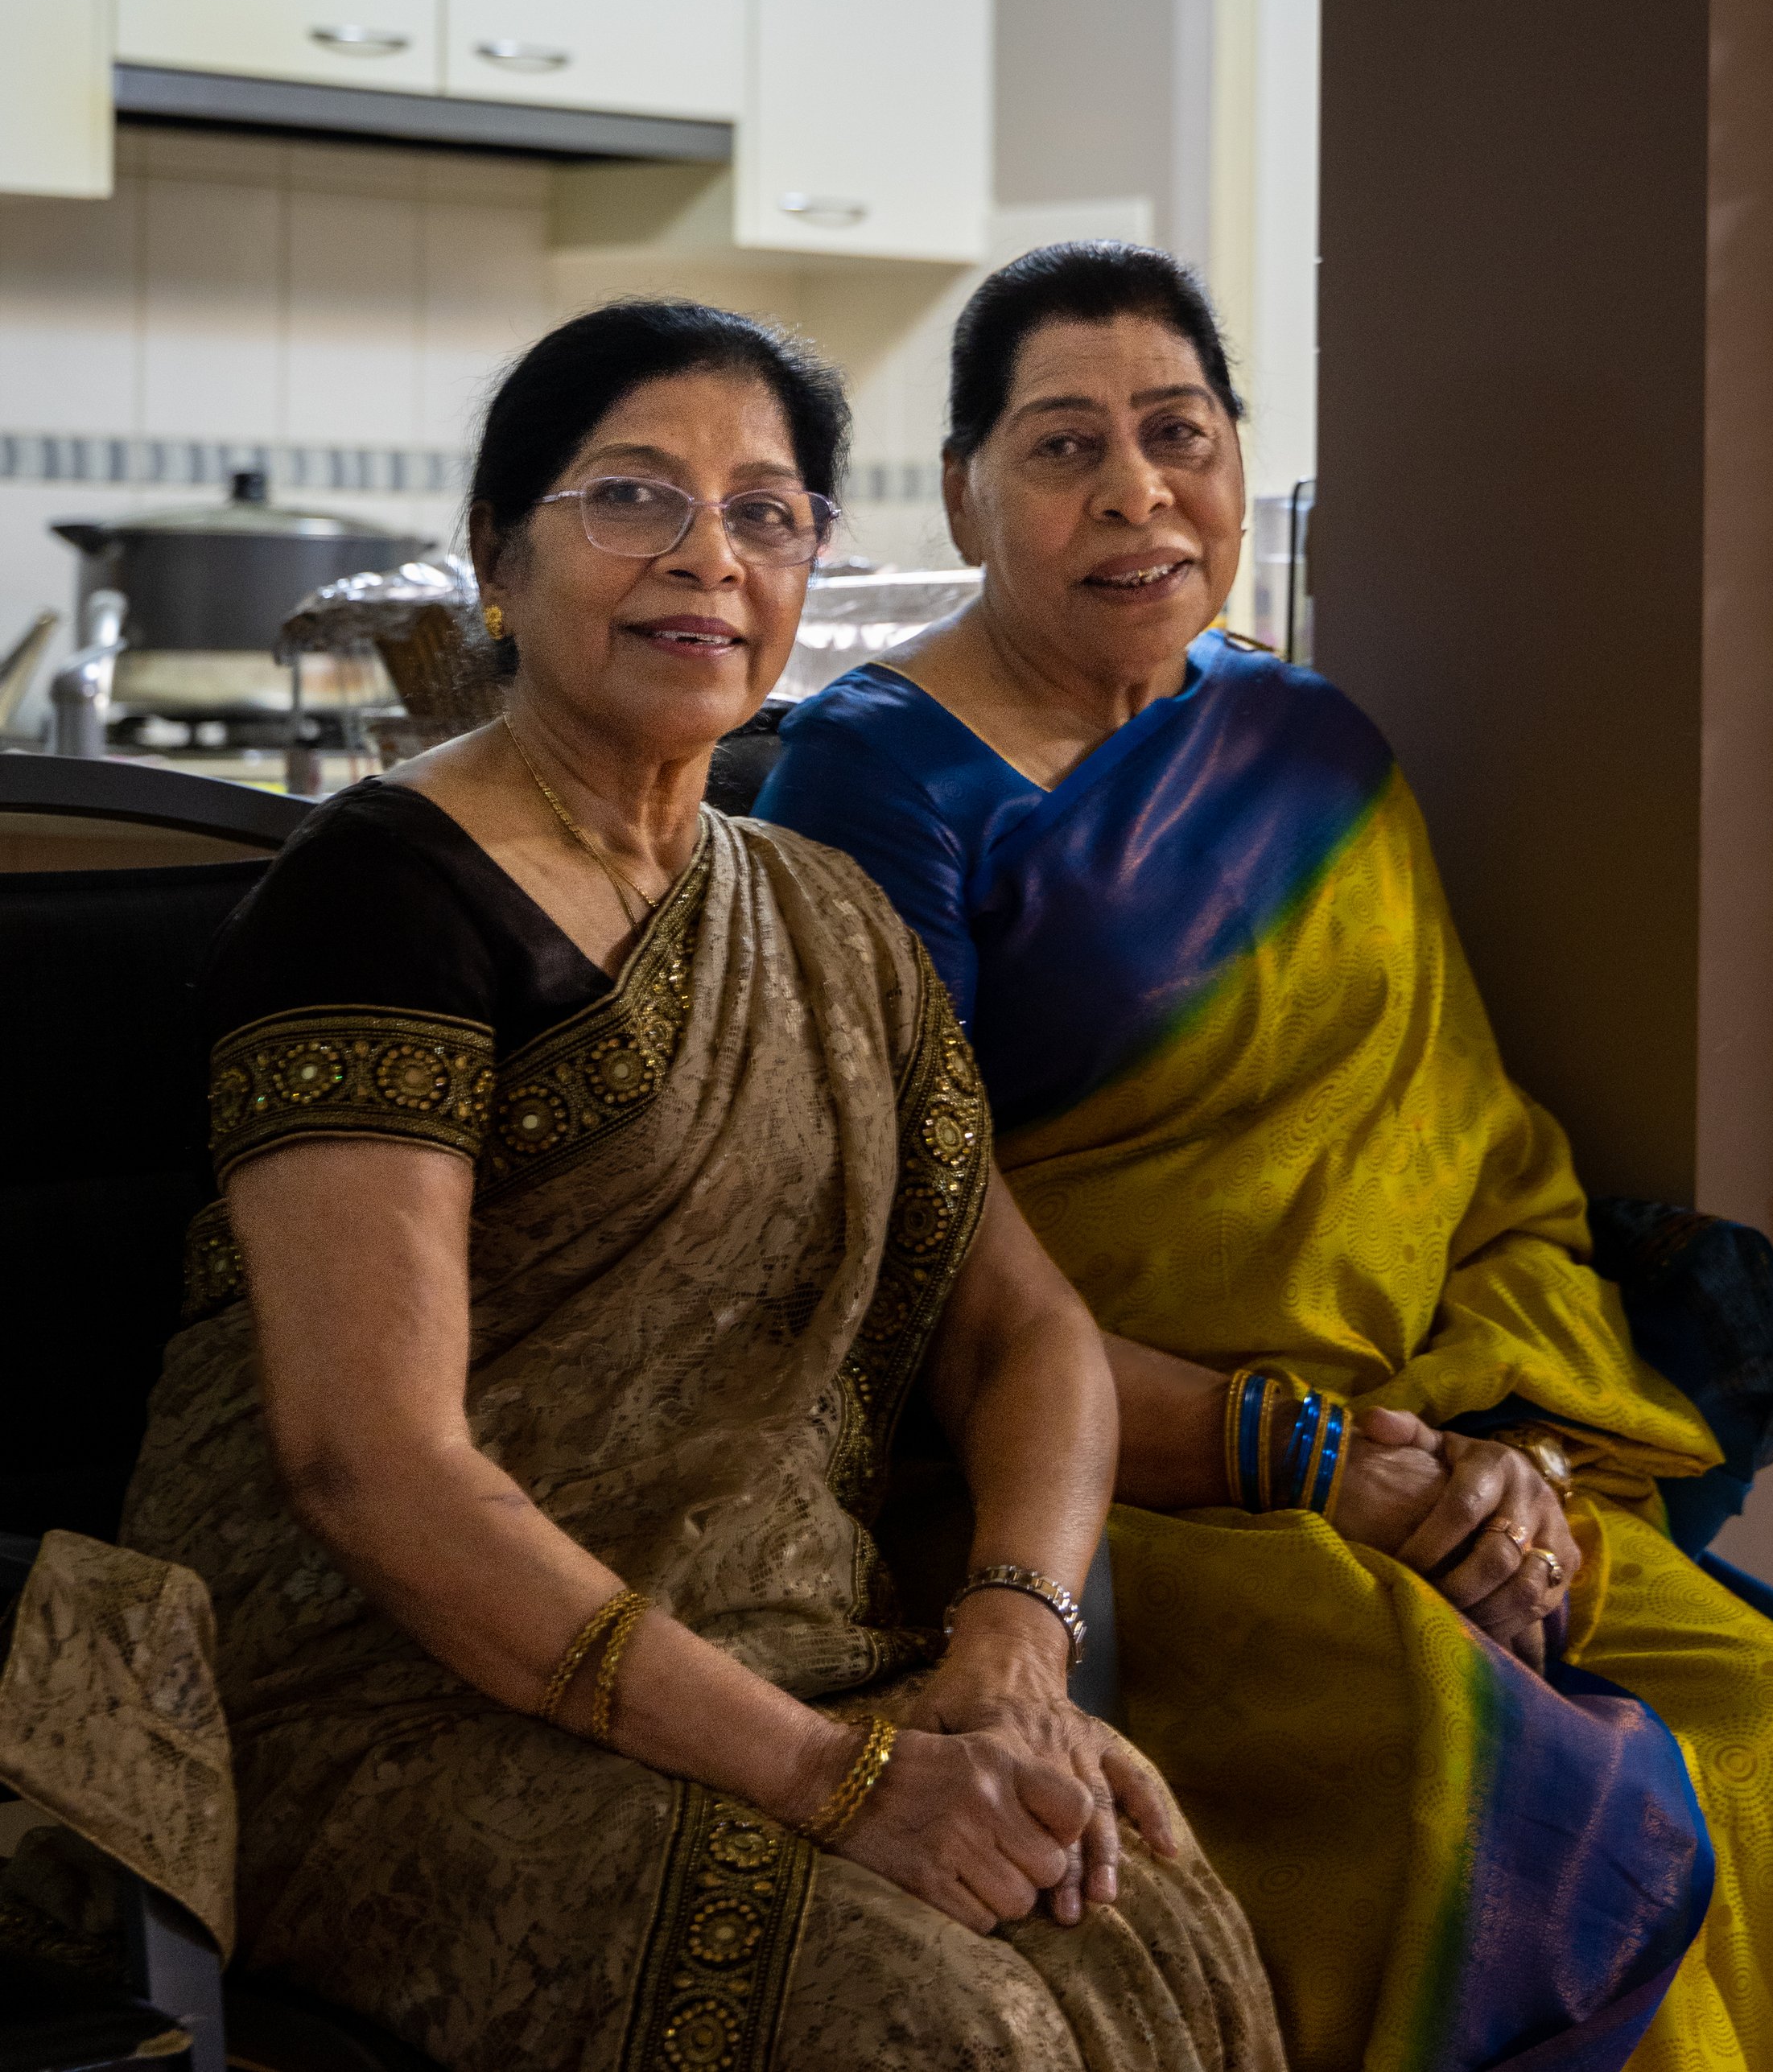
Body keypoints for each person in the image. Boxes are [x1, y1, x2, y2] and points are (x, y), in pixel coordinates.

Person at [755, 242, 1773, 2072]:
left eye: (1176, 434)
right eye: (1062, 448)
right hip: (1100, 1485)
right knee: (1512, 1796)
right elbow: (907, 1285)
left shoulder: (1310, 749)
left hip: (1420, 1437)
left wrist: (1507, 1466)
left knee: (1762, 1717)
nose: (1135, 492)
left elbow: (1477, 1174)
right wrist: (1304, 1459)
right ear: (968, 492)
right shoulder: (872, 782)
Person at [120, 297, 1288, 2072]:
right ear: (496, 559)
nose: (707, 560)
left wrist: (1006, 1659)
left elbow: (1026, 1341)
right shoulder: (380, 898)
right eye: (632, 499)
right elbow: (373, 1465)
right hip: (387, 1706)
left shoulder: (822, 919)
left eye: (765, 513)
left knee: (1144, 1927)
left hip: (791, 1662)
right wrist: (830, 1779)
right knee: (934, 2026)